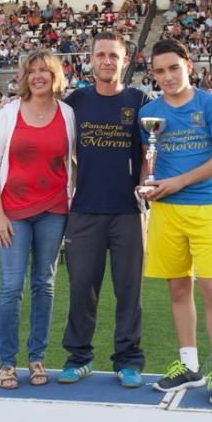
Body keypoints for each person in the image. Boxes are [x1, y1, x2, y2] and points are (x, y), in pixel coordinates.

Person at [137, 38, 212, 405]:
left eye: (173, 68)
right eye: (160, 71)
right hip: (165, 211)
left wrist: (178, 182)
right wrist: (147, 184)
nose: (167, 76)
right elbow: (151, 157)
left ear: (188, 66)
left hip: (206, 206)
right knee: (178, 290)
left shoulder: (210, 104)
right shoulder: (149, 112)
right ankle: (190, 366)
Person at [58, 31, 148, 388]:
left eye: (114, 55)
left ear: (125, 61)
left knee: (129, 291)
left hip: (127, 211)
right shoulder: (75, 102)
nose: (107, 61)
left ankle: (128, 361)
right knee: (82, 289)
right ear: (91, 60)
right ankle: (79, 357)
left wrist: (144, 187)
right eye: (101, 55)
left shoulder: (139, 100)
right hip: (83, 211)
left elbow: (147, 153)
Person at [0, 50, 76, 390]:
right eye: (32, 71)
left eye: (45, 70)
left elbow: (74, 164)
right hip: (13, 213)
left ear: (55, 76)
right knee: (11, 288)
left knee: (44, 285)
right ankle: (7, 363)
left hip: (53, 210)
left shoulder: (67, 114)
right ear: (25, 77)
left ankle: (37, 357)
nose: (38, 76)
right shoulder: (9, 113)